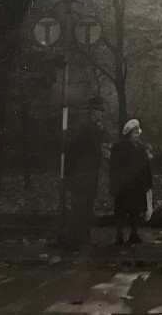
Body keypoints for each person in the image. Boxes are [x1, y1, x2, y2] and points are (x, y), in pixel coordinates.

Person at [62, 96, 105, 251]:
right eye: (100, 111)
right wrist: (71, 173)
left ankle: (84, 239)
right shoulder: (85, 128)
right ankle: (73, 241)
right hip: (82, 175)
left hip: (90, 174)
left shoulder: (93, 128)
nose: (102, 114)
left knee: (87, 208)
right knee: (80, 208)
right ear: (93, 112)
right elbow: (73, 150)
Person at [109, 119, 152, 245]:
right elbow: (114, 167)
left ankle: (134, 234)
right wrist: (115, 184)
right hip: (123, 185)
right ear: (128, 134)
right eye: (134, 133)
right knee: (121, 210)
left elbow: (146, 167)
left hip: (137, 185)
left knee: (136, 210)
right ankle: (119, 234)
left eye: (138, 132)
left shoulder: (141, 148)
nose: (137, 135)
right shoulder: (118, 147)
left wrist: (148, 182)